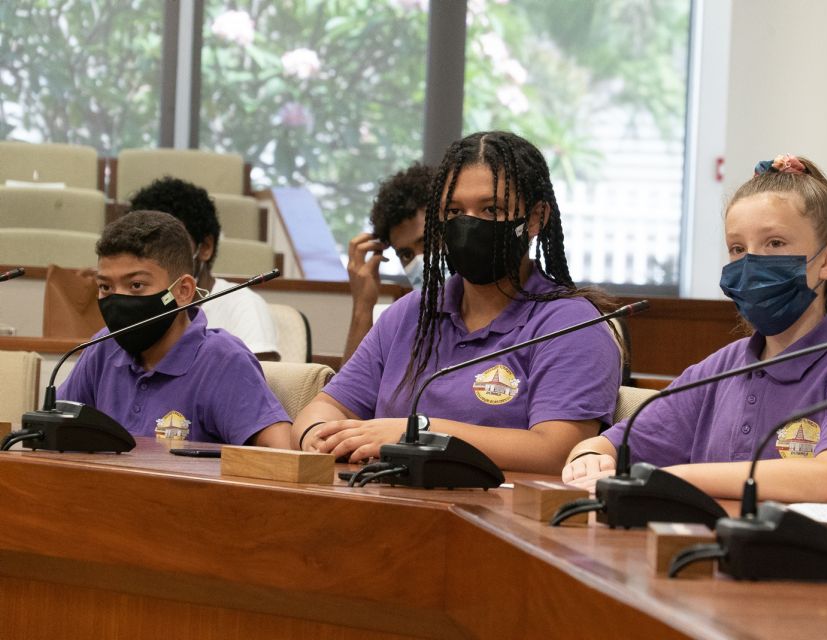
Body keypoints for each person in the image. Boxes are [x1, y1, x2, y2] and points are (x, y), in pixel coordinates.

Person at [562, 154, 827, 506]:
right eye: (737, 248)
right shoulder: (719, 369)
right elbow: (607, 444)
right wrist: (590, 456)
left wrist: (670, 478)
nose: (750, 263)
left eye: (775, 243)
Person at [292, 131, 621, 474]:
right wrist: (318, 436)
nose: (468, 224)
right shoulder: (410, 313)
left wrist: (419, 433)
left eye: (491, 209)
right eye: (454, 211)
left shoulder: (571, 325)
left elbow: (558, 451)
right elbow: (326, 408)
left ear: (536, 218)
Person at [58, 210, 291, 447]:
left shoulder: (223, 360)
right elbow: (53, 432)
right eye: (105, 287)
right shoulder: (103, 347)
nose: (117, 300)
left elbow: (282, 451)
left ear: (183, 291)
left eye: (136, 285)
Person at [128, 177, 280, 360]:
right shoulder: (131, 306)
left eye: (168, 246)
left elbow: (260, 374)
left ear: (205, 247)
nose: (155, 258)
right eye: (144, 247)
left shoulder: (244, 306)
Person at [343, 163, 433, 364]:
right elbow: (350, 383)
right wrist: (363, 306)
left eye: (427, 242)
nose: (420, 260)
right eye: (406, 254)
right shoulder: (402, 320)